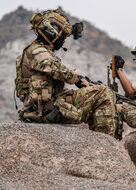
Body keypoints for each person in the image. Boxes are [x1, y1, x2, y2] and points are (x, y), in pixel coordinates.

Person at [15, 8, 121, 139]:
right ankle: (106, 143)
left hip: (45, 107)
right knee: (104, 93)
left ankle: (98, 141)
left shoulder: (38, 51)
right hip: (44, 111)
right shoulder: (36, 51)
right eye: (63, 36)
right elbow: (56, 69)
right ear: (51, 32)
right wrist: (77, 80)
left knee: (97, 97)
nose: (63, 41)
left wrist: (82, 81)